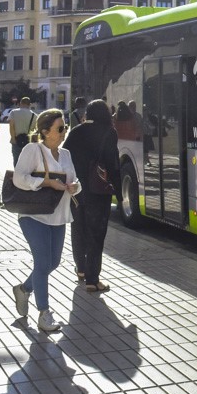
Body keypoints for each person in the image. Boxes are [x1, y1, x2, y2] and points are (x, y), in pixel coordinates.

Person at [11, 109, 81, 334]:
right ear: (44, 131)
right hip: (34, 215)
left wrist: (74, 187)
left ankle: (24, 289)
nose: (64, 132)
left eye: (65, 128)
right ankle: (44, 313)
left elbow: (76, 180)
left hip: (58, 215)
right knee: (42, 263)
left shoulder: (67, 153)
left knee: (53, 263)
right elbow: (19, 178)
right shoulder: (33, 149)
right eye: (60, 128)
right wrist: (46, 183)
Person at [63, 99, 121, 293]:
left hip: (76, 190)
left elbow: (64, 158)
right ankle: (92, 279)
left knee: (78, 229)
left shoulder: (76, 132)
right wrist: (120, 193)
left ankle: (80, 269)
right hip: (98, 192)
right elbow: (112, 164)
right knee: (96, 234)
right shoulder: (108, 132)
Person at [8, 97, 38, 164]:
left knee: (16, 161)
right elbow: (36, 131)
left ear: (20, 103)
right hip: (28, 141)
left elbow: (11, 126)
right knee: (28, 162)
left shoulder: (13, 112)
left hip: (16, 140)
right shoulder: (35, 116)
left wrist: (13, 138)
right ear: (30, 104)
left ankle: (17, 173)